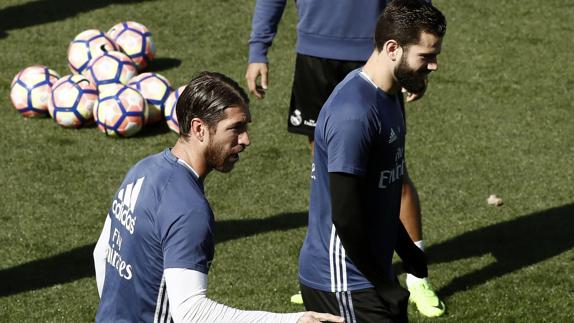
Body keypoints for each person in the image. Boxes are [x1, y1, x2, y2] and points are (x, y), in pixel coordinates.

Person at [246, 0, 445, 317]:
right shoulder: (353, 114)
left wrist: (408, 252)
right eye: (426, 56)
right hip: (343, 282)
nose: (434, 65)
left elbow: (378, 195)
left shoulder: (388, 97)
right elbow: (347, 216)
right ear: (392, 48)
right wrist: (384, 283)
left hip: (366, 274)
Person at [93, 71, 344, 323]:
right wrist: (291, 321)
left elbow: (102, 253)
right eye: (236, 128)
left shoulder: (143, 169)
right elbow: (191, 312)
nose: (246, 139)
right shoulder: (188, 209)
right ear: (199, 128)